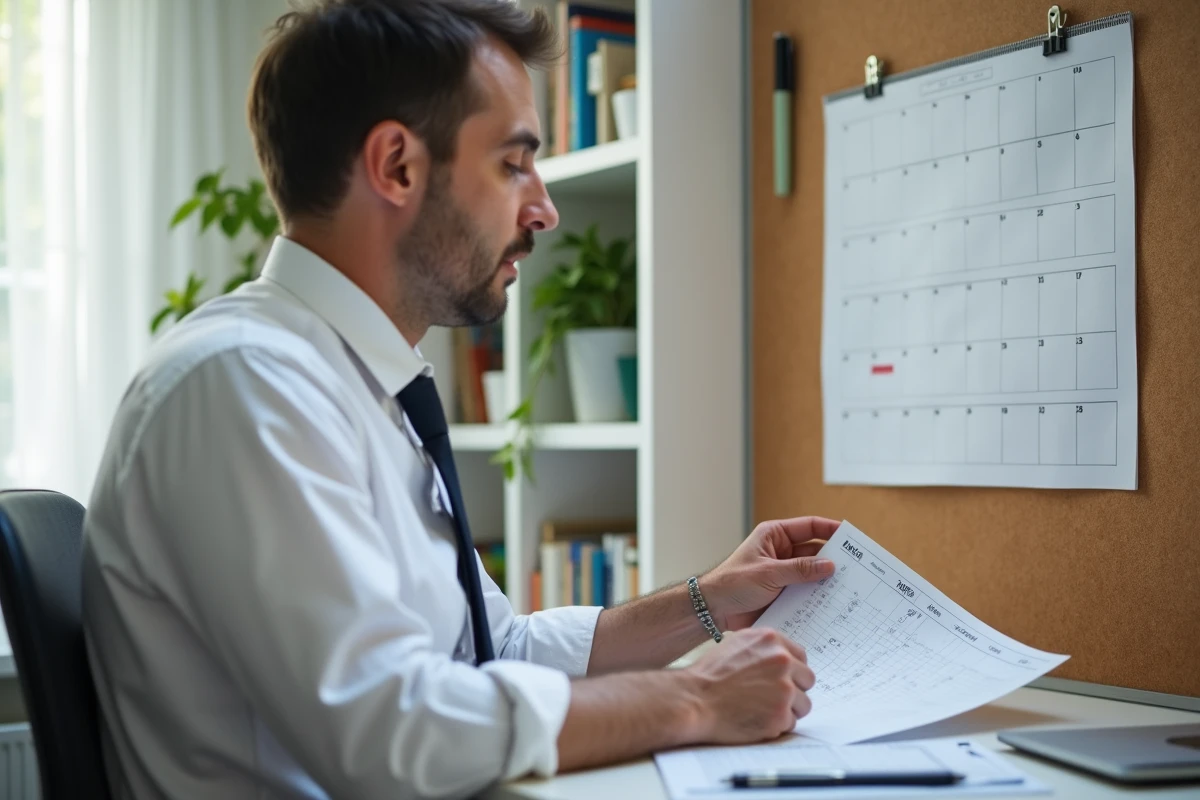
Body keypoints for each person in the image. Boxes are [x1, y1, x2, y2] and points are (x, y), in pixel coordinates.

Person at [80, 1, 839, 798]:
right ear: (397, 166)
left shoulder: (354, 384)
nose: (544, 207)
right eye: (514, 164)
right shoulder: (243, 387)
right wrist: (696, 697)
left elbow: (492, 648)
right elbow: (389, 729)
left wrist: (707, 603)